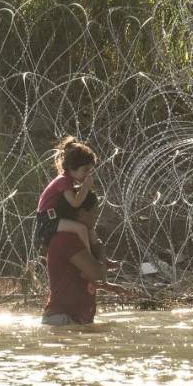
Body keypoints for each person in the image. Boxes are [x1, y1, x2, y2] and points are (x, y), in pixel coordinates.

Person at [42, 196, 123, 327]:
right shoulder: (67, 240)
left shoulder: (77, 239)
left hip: (71, 320)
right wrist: (100, 247)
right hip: (64, 321)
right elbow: (97, 274)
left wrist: (108, 287)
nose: (96, 218)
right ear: (82, 213)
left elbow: (75, 278)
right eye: (95, 213)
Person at [36, 135, 99, 249]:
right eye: (85, 170)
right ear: (72, 167)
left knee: (87, 227)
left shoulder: (67, 180)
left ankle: (100, 255)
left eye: (90, 170)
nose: (88, 174)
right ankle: (90, 259)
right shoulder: (63, 181)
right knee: (81, 229)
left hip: (56, 215)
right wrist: (84, 187)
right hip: (48, 219)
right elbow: (75, 203)